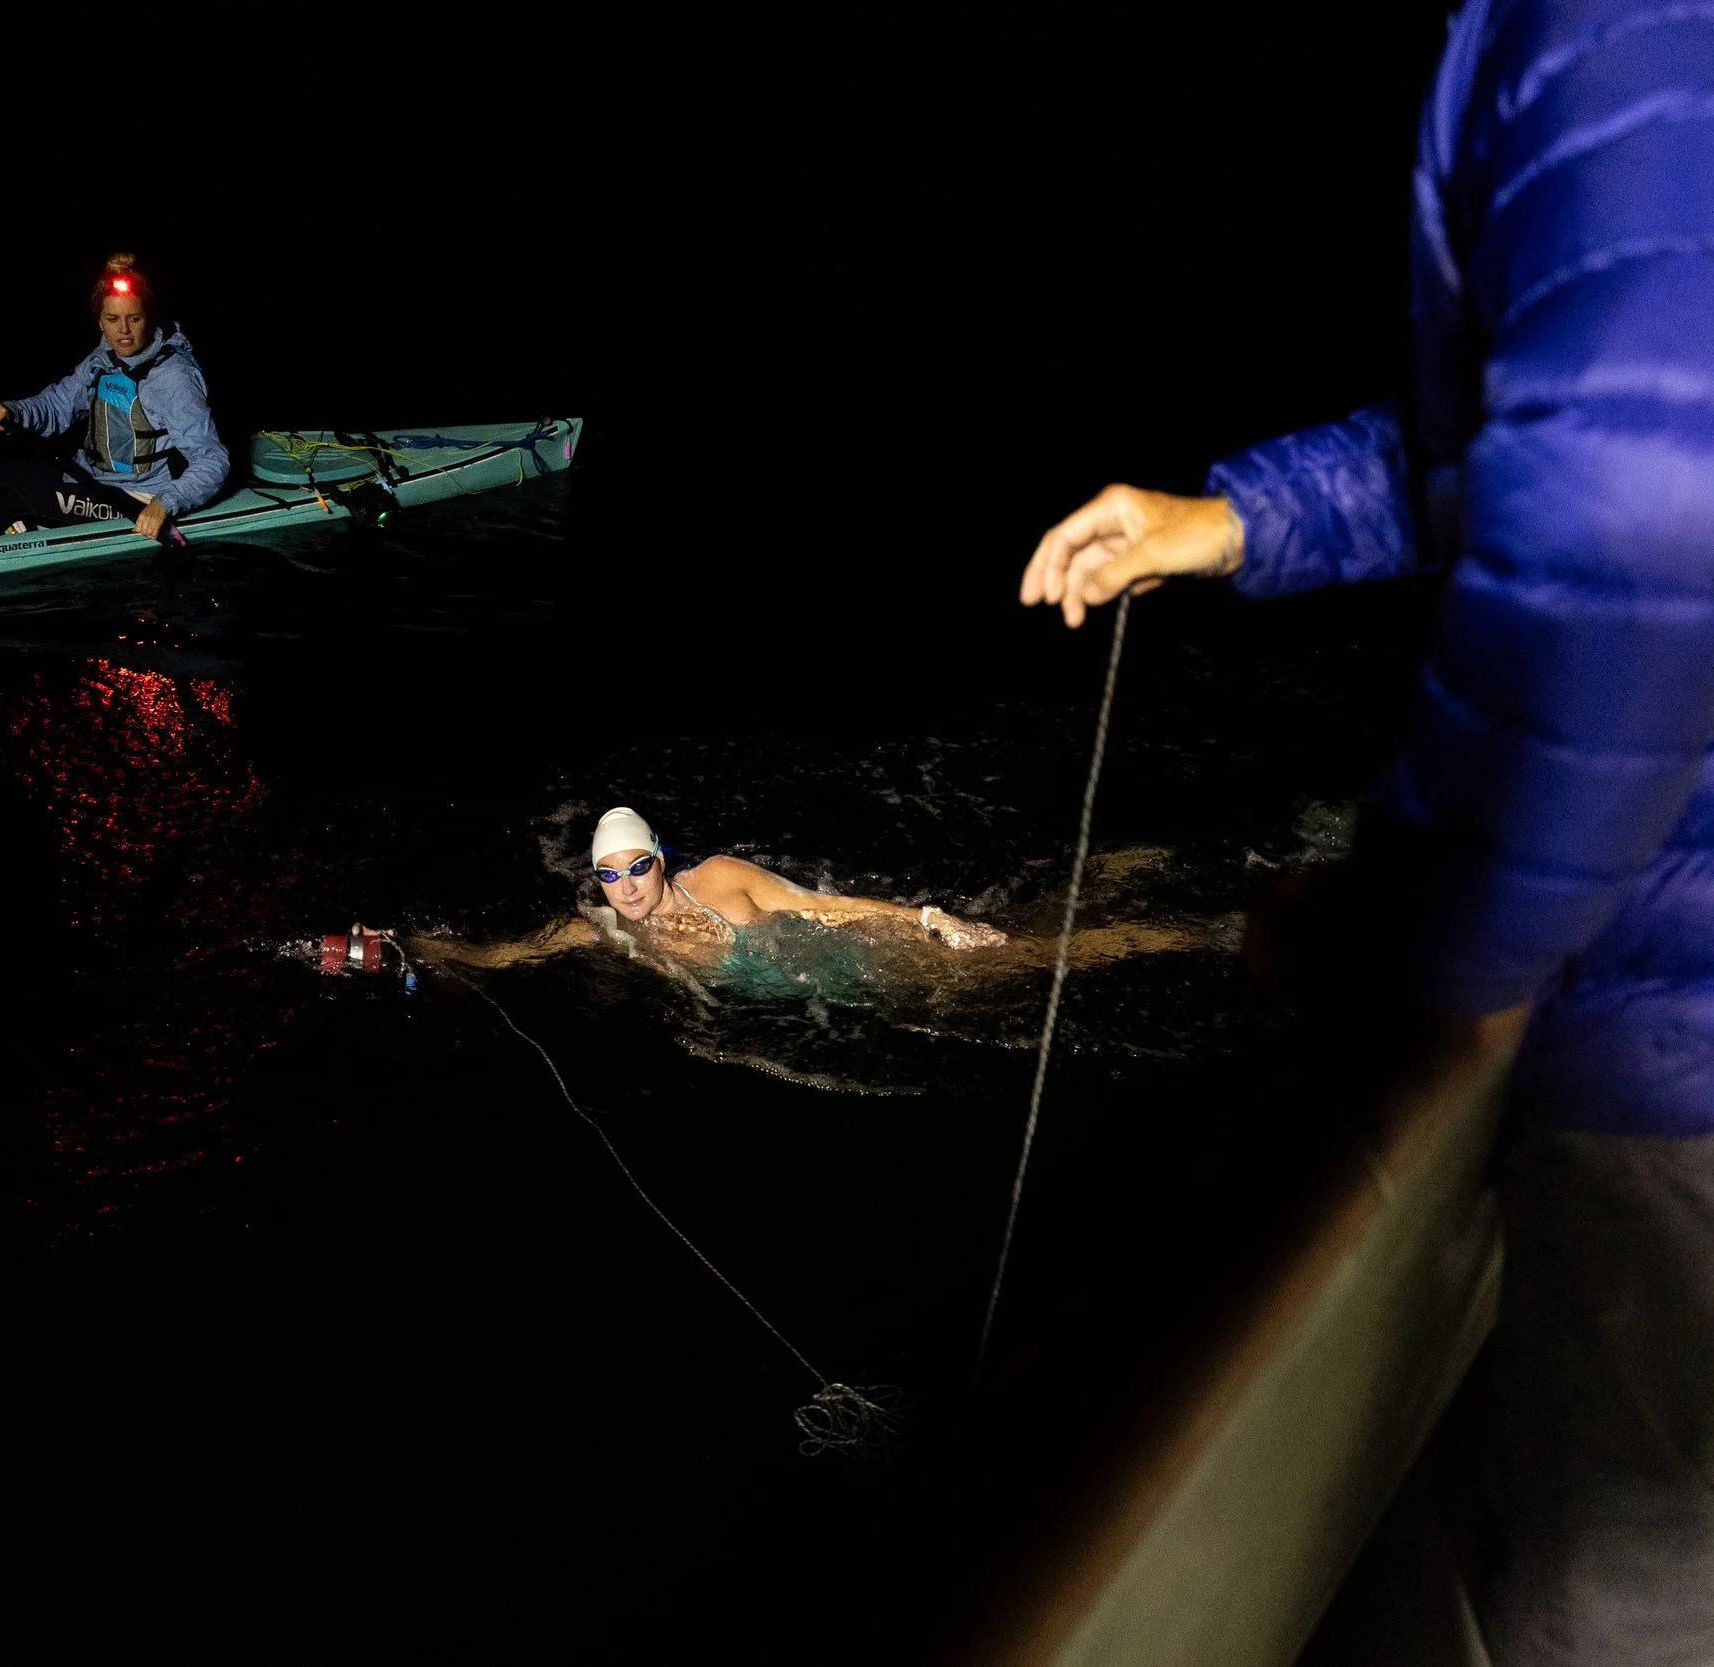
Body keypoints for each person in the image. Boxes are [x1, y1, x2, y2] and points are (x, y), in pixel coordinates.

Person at [1018, 4, 1713, 1661]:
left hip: (1673, 1042)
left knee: (1616, 1604)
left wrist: (1423, 935)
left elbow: (1639, 506)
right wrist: (1240, 518)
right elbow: (1559, 428)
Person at [411, 806, 1011, 974]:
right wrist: (407, 950)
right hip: (829, 1000)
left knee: (1028, 961)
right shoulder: (608, 930)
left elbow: (830, 908)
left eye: (638, 866)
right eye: (609, 874)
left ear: (661, 859)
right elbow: (499, 955)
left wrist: (930, 919)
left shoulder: (720, 878)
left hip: (876, 956)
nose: (627, 886)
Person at [0, 254, 228, 544]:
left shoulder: (174, 379)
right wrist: (13, 411)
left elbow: (213, 459)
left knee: (19, 492)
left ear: (150, 318)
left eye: (134, 318)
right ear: (100, 320)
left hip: (137, 498)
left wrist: (164, 504)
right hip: (91, 479)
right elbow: (56, 406)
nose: (123, 331)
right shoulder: (104, 358)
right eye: (112, 319)